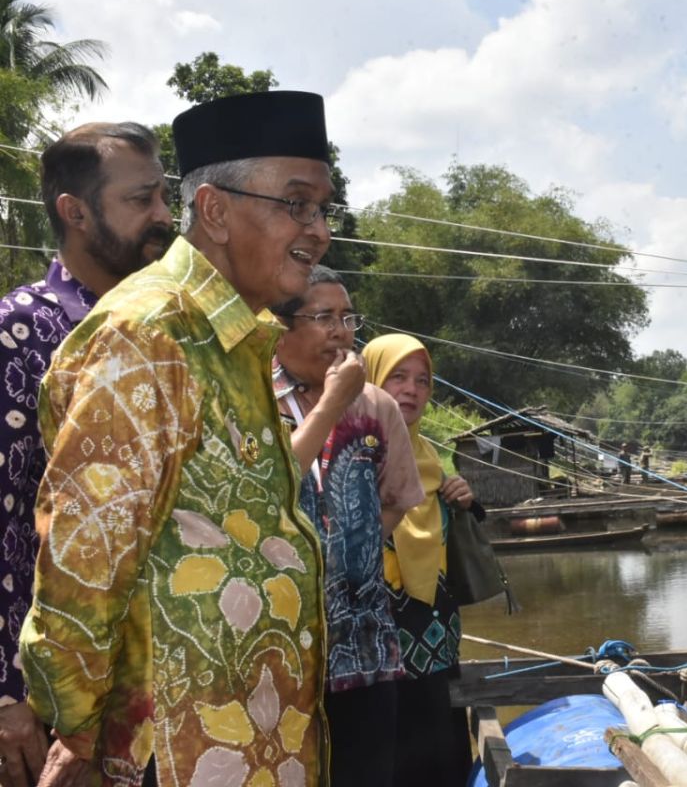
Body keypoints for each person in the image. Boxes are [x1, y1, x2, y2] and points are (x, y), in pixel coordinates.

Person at [20, 91, 341, 786]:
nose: (317, 231)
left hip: (255, 746)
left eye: (322, 208)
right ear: (215, 211)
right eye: (296, 203)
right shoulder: (150, 335)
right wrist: (74, 731)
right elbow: (85, 560)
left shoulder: (238, 340)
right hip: (174, 754)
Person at [0, 121, 172, 787]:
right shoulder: (23, 331)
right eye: (141, 200)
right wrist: (8, 695)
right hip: (54, 703)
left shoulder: (163, 331)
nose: (162, 217)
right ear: (74, 211)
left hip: (162, 690)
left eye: (163, 197)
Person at [272, 267, 424, 786]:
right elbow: (266, 489)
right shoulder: (251, 399)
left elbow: (396, 499)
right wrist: (334, 401)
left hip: (363, 645)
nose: (340, 331)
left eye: (346, 318)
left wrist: (349, 554)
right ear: (280, 325)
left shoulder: (376, 406)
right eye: (322, 317)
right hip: (278, 650)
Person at [362, 334, 479, 787]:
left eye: (423, 381)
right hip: (377, 653)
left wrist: (463, 498)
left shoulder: (430, 458)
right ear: (369, 377)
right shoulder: (350, 454)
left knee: (446, 755)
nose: (412, 389)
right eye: (398, 376)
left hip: (438, 646)